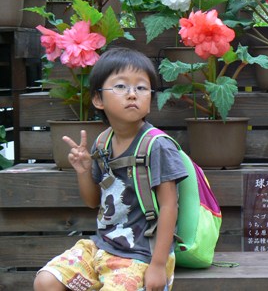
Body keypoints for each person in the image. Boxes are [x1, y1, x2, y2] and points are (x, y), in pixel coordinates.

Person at [34, 47, 188, 291]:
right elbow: (93, 201)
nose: (132, 94)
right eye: (120, 86)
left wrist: (158, 265)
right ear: (98, 99)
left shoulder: (157, 146)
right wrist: (84, 170)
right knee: (45, 281)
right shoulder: (103, 142)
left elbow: (170, 206)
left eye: (141, 87)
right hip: (102, 246)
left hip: (142, 253)